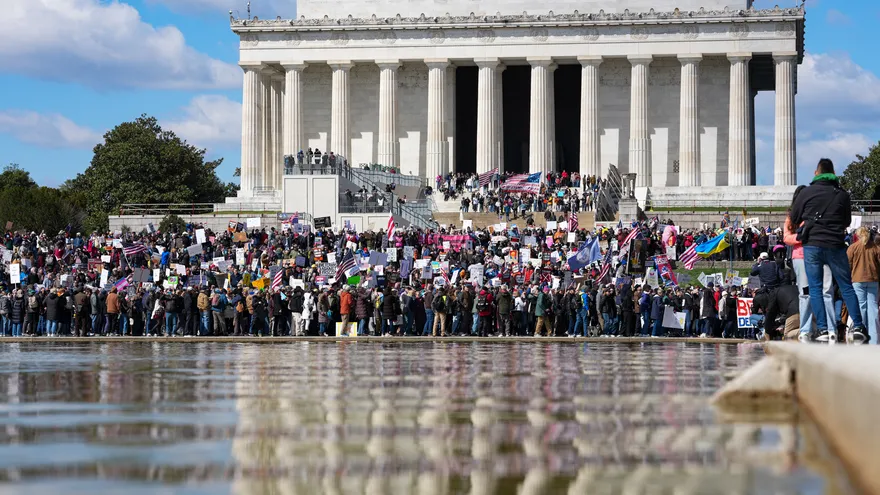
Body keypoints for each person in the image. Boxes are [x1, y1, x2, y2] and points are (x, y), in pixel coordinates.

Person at [790, 158, 867, 343]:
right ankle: (858, 326)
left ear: (817, 173)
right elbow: (847, 222)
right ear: (833, 173)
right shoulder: (842, 195)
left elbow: (794, 217)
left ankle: (822, 329)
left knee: (815, 289)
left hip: (812, 246)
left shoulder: (806, 192)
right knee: (846, 286)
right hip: (835, 245)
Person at [848, 226, 880, 344]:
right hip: (873, 280)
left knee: (861, 308)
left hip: (857, 280)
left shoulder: (853, 248)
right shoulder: (876, 248)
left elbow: (848, 265)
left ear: (857, 235)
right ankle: (874, 339)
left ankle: (862, 335)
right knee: (873, 309)